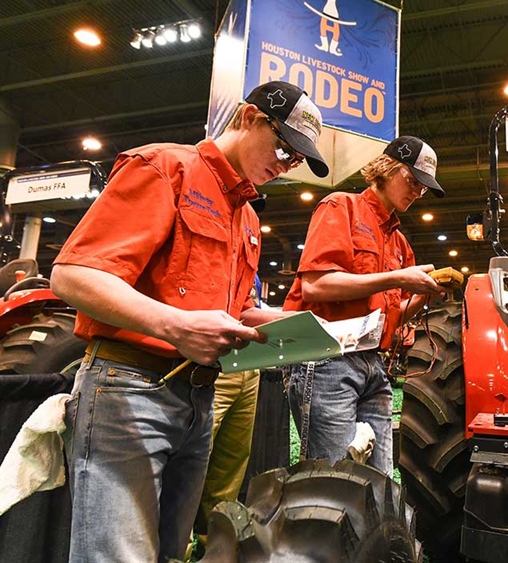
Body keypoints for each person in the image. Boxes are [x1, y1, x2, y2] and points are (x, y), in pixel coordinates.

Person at [50, 80, 328, 563]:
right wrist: (175, 326)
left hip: (198, 398)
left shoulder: (244, 217)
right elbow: (72, 275)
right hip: (129, 390)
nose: (286, 166)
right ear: (247, 117)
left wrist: (292, 325)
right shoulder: (164, 168)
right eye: (284, 148)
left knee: (169, 551)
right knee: (117, 554)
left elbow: (231, 308)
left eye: (296, 160)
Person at [283, 136, 446, 477]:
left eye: (424, 187)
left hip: (374, 363)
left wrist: (424, 295)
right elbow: (316, 285)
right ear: (387, 169)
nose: (417, 191)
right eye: (412, 180)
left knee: (381, 479)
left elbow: (392, 316)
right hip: (327, 358)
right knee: (333, 479)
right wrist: (396, 278)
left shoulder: (399, 242)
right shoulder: (341, 206)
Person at [193, 274, 263, 550]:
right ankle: (177, 546)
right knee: (193, 460)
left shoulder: (247, 257)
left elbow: (247, 311)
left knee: (231, 460)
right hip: (209, 363)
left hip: (247, 365)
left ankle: (214, 543)